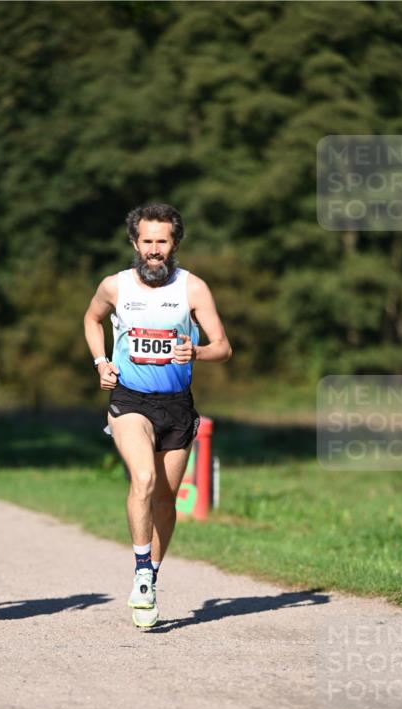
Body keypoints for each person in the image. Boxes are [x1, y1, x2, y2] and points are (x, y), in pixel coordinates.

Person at [84, 204, 231, 628]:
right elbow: (92, 319)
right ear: (135, 243)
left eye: (161, 241)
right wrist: (100, 362)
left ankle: (150, 575)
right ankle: (141, 570)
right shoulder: (114, 286)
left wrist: (197, 351)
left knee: (165, 500)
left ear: (174, 243)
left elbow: (223, 346)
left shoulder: (193, 288)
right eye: (146, 241)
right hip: (130, 400)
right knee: (144, 479)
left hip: (177, 406)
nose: (153, 249)